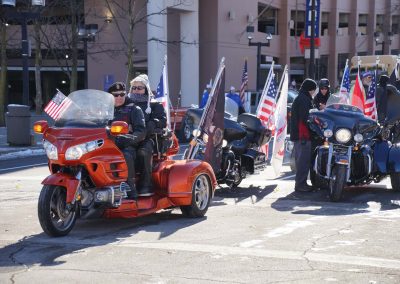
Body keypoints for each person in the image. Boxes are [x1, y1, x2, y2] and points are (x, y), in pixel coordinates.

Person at [129, 74, 167, 196]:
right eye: (134, 88)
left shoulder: (155, 104)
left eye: (139, 88)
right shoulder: (126, 104)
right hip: (127, 137)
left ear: (146, 89)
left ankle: (146, 184)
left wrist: (150, 125)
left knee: (143, 151)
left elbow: (162, 120)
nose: (136, 90)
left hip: (147, 138)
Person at [108, 82, 146, 200]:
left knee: (125, 155)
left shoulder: (134, 109)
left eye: (122, 94)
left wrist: (129, 139)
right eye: (115, 95)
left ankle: (131, 188)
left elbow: (141, 131)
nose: (119, 97)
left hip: (126, 145)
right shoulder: (103, 111)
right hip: (106, 144)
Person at [290, 78, 317, 192]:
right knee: (303, 162)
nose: (314, 92)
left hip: (299, 135)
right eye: (313, 90)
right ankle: (301, 185)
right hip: (303, 136)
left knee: (301, 161)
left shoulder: (300, 98)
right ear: (310, 89)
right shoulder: (304, 99)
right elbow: (305, 119)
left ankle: (301, 183)